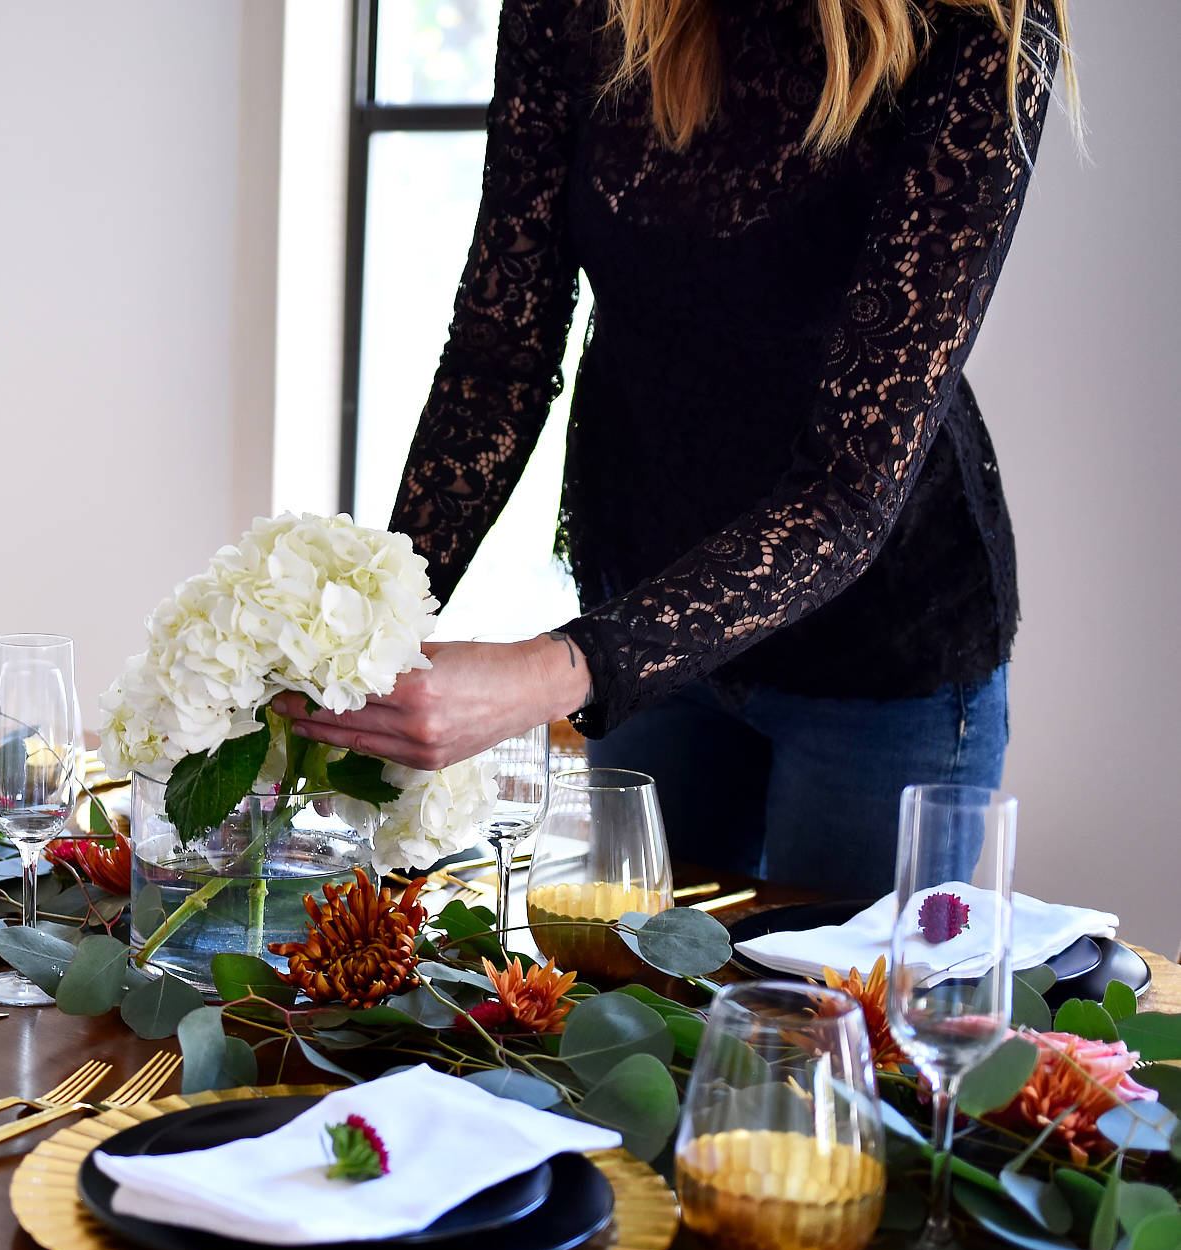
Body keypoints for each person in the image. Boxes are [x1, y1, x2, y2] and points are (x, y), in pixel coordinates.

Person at [274, 0, 1073, 899]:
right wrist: (359, 631)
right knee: (630, 1010)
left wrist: (551, 672)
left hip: (878, 658)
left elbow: (849, 487)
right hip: (646, 612)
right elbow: (498, 360)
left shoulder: (978, 25)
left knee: (834, 1023)